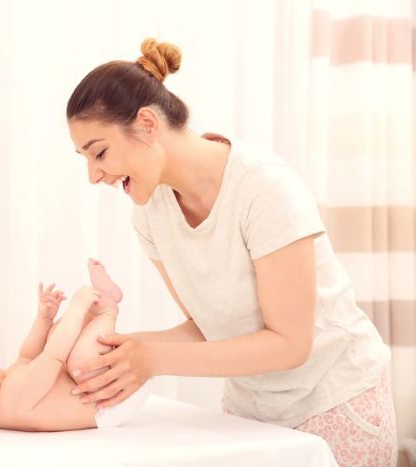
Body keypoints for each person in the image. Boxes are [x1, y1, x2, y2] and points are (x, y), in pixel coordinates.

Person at [65, 37, 397, 465]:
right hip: (250, 413)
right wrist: (120, 352)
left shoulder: (264, 189)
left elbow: (290, 344)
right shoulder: (150, 215)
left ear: (147, 124)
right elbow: (207, 326)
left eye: (100, 153)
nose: (94, 175)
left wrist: (153, 358)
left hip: (334, 403)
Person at [0, 259, 150, 431]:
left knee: (56, 333)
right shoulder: (11, 402)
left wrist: (44, 318)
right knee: (78, 360)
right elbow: (54, 356)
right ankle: (107, 311)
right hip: (111, 402)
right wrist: (76, 305)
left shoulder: (6, 389)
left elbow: (28, 355)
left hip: (103, 388)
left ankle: (101, 301)